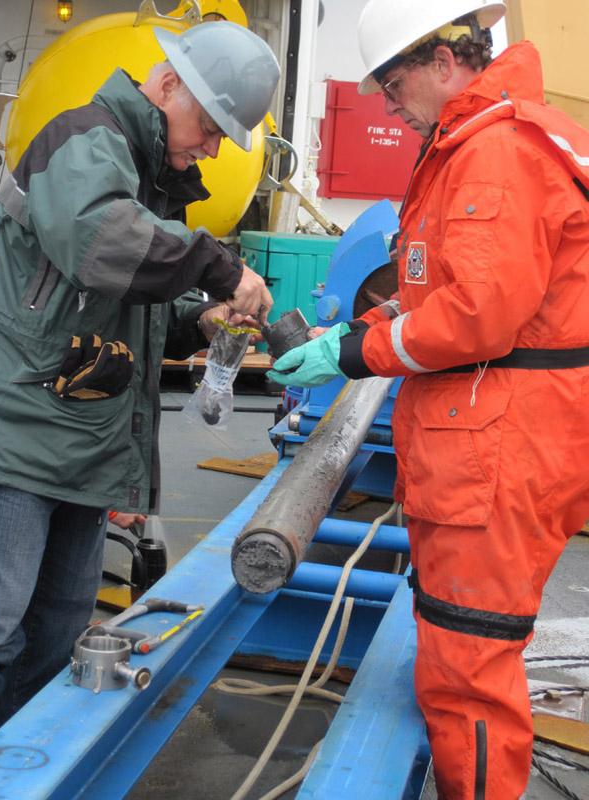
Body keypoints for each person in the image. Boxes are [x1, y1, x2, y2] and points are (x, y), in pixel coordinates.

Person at [268, 2, 589, 797]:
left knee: (467, 676)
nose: (387, 103)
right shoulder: (482, 143)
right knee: (460, 652)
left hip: (499, 451)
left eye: (392, 83)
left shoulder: (496, 154)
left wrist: (356, 349)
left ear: (446, 62)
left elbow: (480, 313)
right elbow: (433, 290)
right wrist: (362, 329)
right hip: (496, 439)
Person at [0, 20, 279, 731]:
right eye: (211, 126)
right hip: (22, 436)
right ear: (168, 83)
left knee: (56, 634)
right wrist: (219, 267)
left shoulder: (150, 172)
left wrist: (197, 318)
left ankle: (20, 766)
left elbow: (122, 298)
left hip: (87, 440)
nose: (213, 147)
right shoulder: (83, 138)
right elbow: (100, 240)